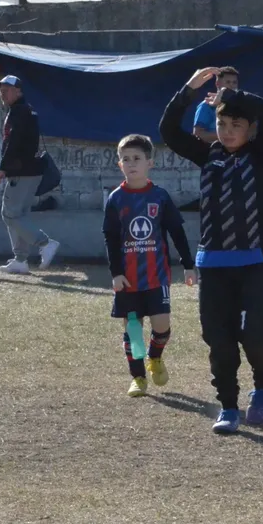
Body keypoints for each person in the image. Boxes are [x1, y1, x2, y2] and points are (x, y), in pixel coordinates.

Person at [160, 67, 263, 434]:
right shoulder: (209, 154)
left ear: (250, 129)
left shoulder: (260, 154)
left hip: (254, 261)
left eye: (236, 125)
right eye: (222, 123)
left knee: (252, 332)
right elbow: (168, 130)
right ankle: (228, 405)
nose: (227, 131)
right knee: (217, 336)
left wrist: (232, 95)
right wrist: (188, 88)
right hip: (213, 261)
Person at [103, 135, 196, 398]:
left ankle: (155, 357)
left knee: (162, 327)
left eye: (137, 158)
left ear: (150, 163)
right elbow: (110, 238)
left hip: (157, 276)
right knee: (133, 330)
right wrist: (116, 273)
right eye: (126, 159)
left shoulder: (160, 197)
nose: (131, 163)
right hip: (128, 279)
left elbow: (177, 232)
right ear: (119, 164)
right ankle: (138, 378)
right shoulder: (116, 199)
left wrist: (188, 265)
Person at [0, 75, 59, 274]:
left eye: (7, 89)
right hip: (30, 171)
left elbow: (14, 142)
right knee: (19, 216)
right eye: (1, 90)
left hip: (21, 172)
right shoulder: (26, 110)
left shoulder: (19, 112)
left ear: (19, 91)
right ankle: (20, 260)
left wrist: (3, 167)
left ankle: (45, 243)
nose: (2, 93)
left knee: (9, 214)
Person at [191, 67, 239, 144]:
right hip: (215, 149)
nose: (232, 85)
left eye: (234, 82)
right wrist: (227, 136)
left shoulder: (242, 104)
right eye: (228, 82)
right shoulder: (206, 105)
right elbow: (198, 134)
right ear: (217, 84)